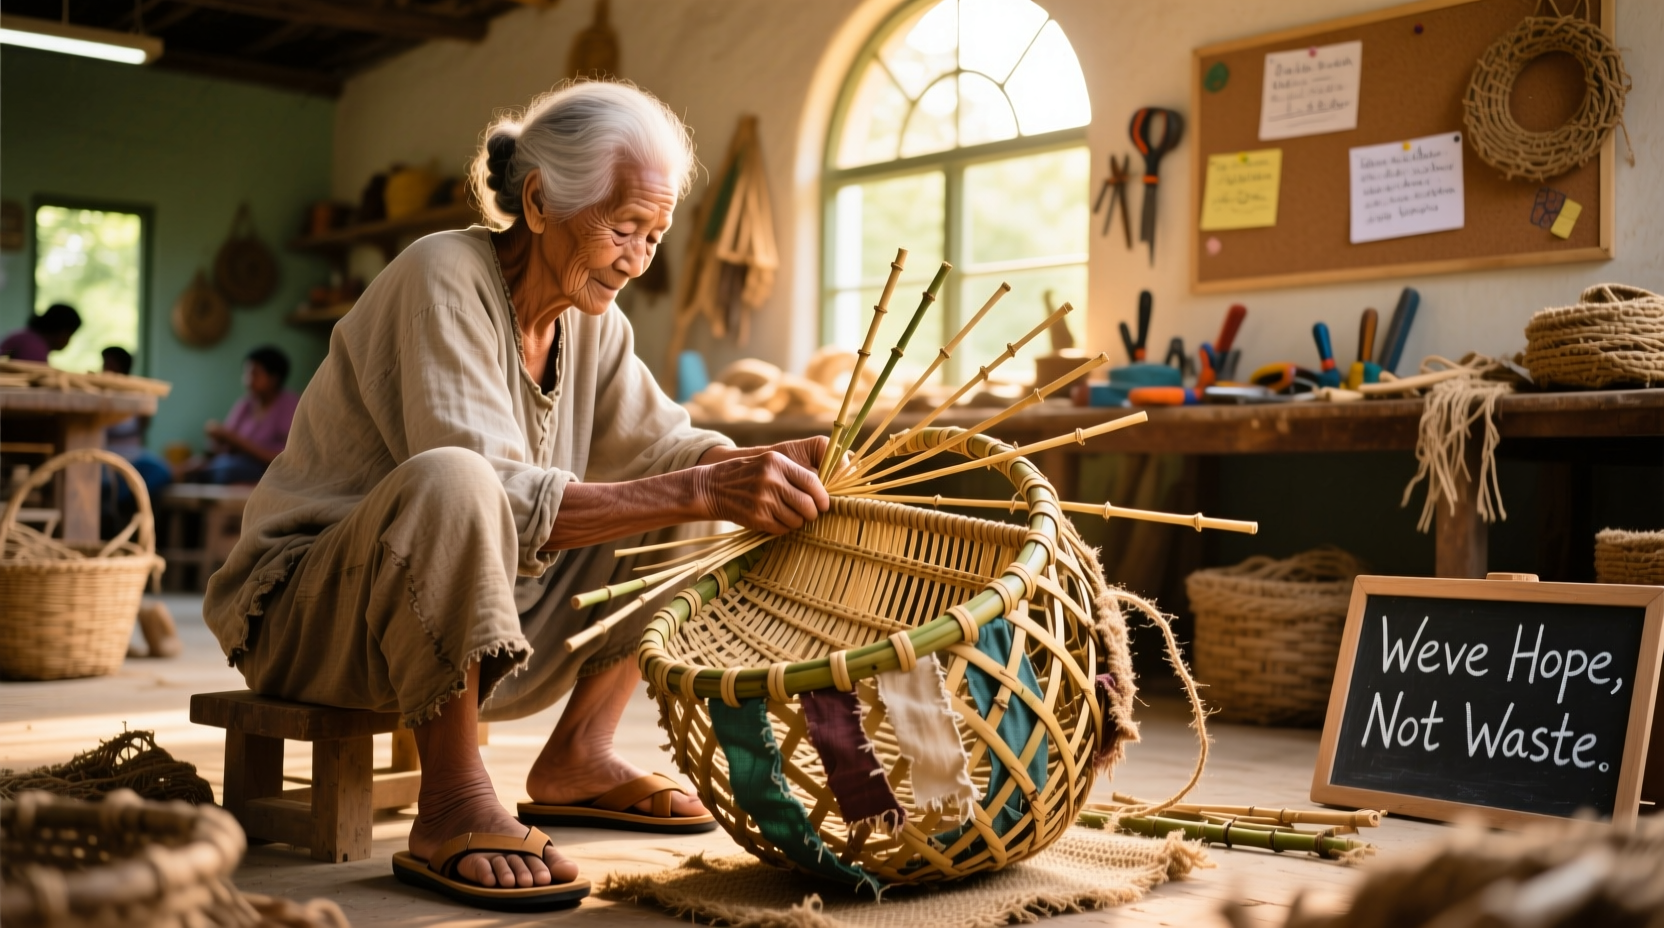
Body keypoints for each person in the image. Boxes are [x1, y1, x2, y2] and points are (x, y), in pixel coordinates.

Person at [203, 81, 831, 909]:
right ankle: (454, 798)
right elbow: (484, 492)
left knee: (692, 502)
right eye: (623, 228)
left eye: (654, 234)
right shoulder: (441, 273)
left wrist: (752, 466)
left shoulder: (592, 318)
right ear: (538, 202)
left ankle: (579, 755)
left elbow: (665, 445)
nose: (638, 259)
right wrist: (707, 479)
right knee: (456, 478)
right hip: (311, 617)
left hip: (473, 614)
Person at [186, 346, 299, 484]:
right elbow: (226, 444)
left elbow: (288, 457)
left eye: (255, 374)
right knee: (198, 468)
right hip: (236, 464)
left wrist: (234, 440)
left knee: (223, 472)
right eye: (246, 374)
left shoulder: (289, 405)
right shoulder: (245, 404)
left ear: (274, 378)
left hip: (268, 470)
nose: (248, 380)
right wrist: (218, 439)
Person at [1, 303, 81, 363]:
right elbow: (34, 377)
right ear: (63, 333)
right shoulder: (33, 345)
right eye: (69, 335)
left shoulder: (25, 336)